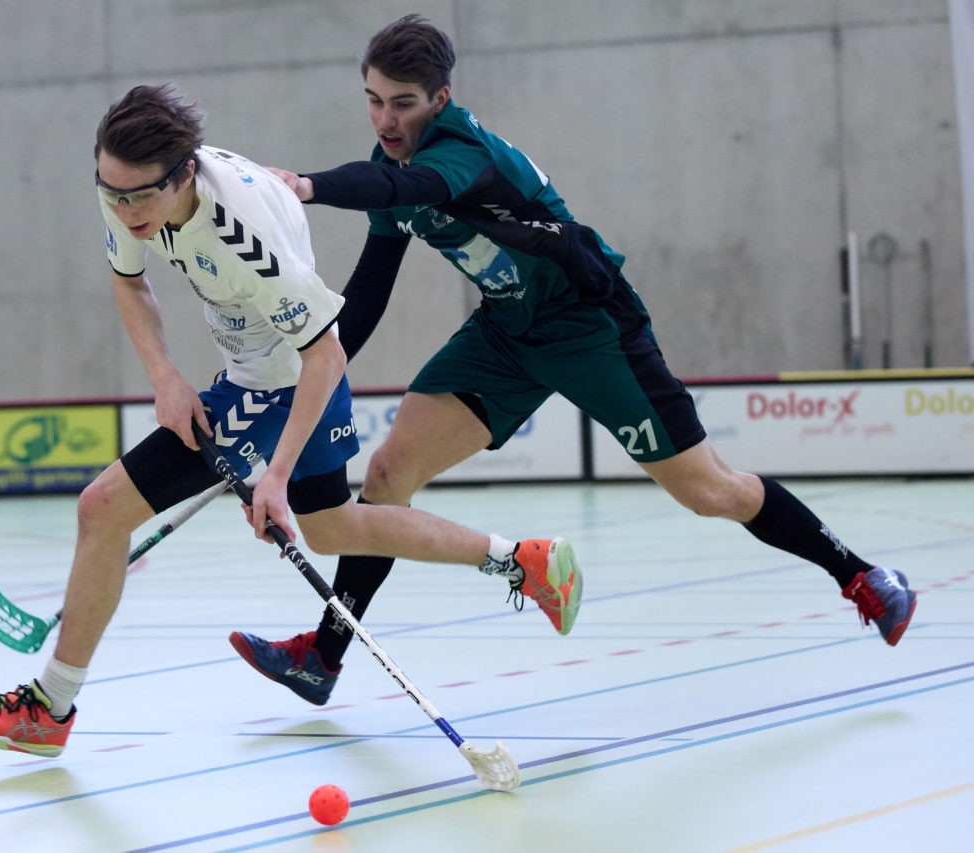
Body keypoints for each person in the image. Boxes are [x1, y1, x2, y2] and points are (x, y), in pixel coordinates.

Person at [231, 14, 917, 705]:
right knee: (388, 473)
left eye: (402, 103)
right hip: (505, 332)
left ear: (440, 98)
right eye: (374, 100)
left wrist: (307, 186)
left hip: (591, 326)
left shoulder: (460, 152)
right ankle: (323, 657)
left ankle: (862, 575)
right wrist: (308, 369)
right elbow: (371, 290)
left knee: (710, 491)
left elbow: (401, 191)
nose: (386, 119)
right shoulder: (391, 167)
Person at [0, 84, 583, 756]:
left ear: (184, 174)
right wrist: (165, 377)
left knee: (102, 508)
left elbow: (325, 354)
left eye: (138, 197)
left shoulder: (241, 236)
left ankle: (48, 708)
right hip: (284, 368)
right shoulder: (128, 183)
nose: (124, 210)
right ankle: (523, 560)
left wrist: (274, 475)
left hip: (284, 383)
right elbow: (130, 280)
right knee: (336, 528)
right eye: (111, 193)